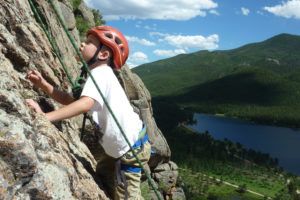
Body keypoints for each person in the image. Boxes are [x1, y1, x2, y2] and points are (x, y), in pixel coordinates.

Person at [26, 26, 151, 200]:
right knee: (103, 173)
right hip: (123, 146)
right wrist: (43, 85)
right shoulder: (97, 75)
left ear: (103, 55)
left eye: (90, 42)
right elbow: (72, 100)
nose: (82, 44)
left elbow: (84, 105)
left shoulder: (100, 74)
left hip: (130, 150)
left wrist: (45, 117)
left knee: (128, 196)